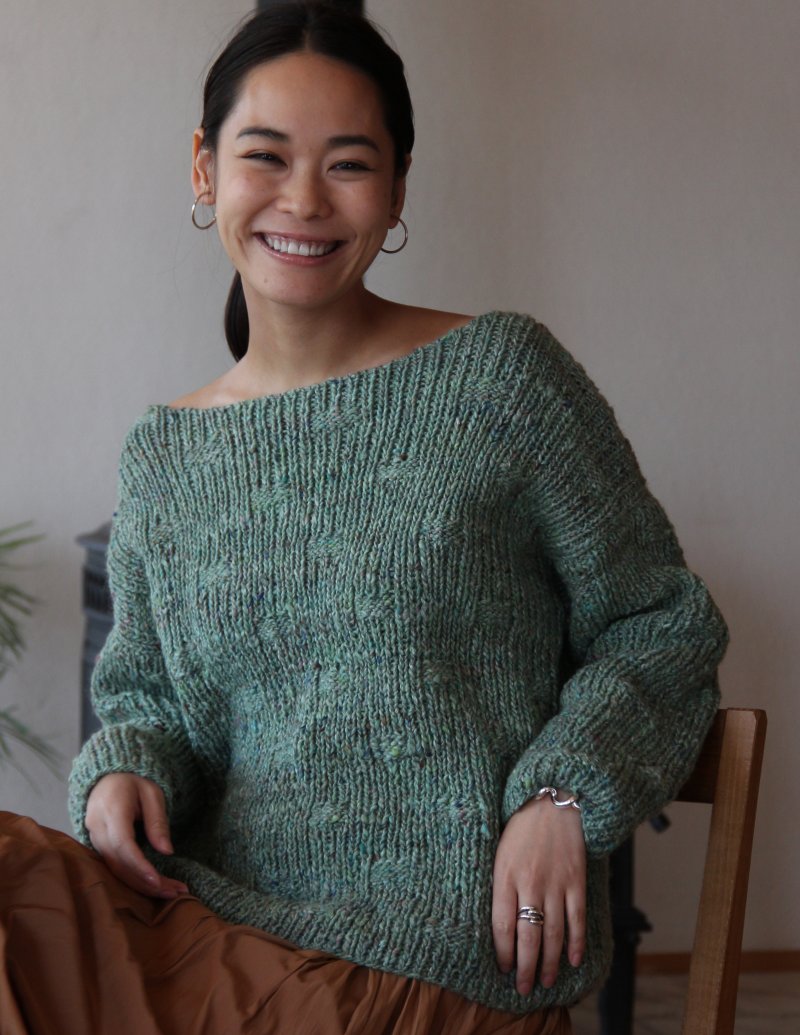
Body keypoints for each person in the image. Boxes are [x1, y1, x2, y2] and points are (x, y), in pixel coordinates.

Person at [0, 3, 728, 1032]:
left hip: (417, 971)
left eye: (348, 163)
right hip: (206, 934)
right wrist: (125, 768)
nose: (303, 198)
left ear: (396, 191)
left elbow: (663, 624)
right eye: (265, 155)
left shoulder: (501, 382)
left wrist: (561, 795)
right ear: (204, 171)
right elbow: (149, 702)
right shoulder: (164, 453)